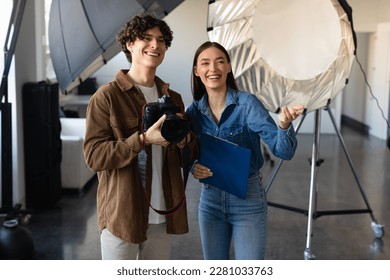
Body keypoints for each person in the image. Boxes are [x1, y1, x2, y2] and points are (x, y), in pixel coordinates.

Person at [83, 14, 197, 260]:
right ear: (129, 44)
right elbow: (94, 157)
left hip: (163, 212)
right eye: (146, 38)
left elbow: (189, 151)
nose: (155, 45)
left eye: (161, 40)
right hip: (122, 215)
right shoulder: (106, 97)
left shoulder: (173, 98)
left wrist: (184, 141)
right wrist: (143, 140)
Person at [186, 41, 304, 260]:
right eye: (205, 63)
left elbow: (283, 152)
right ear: (197, 71)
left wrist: (284, 126)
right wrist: (193, 166)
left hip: (247, 201)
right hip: (210, 201)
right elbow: (185, 152)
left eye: (220, 62)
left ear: (229, 67)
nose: (213, 69)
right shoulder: (193, 112)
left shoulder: (247, 104)